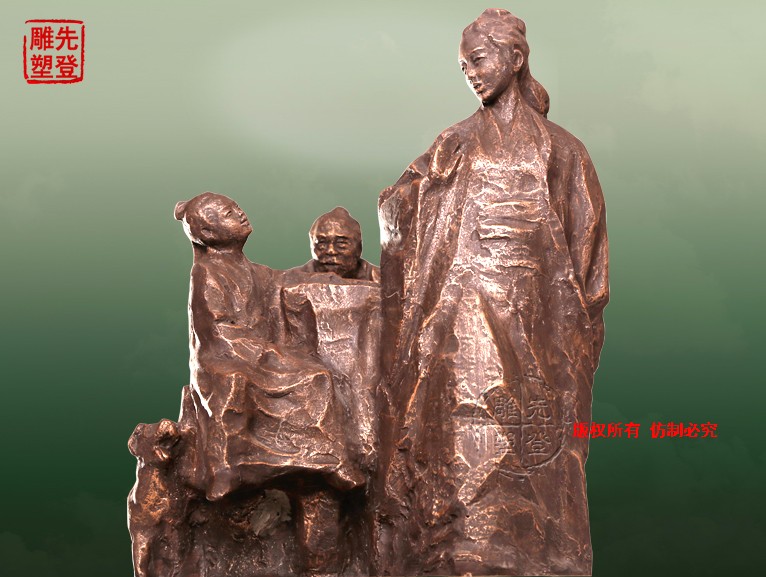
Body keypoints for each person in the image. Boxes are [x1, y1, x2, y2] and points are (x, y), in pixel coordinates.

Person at [375, 9, 608, 576]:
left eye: (478, 60)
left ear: (515, 58)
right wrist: (416, 190)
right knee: (464, 438)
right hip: (464, 316)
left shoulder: (564, 150)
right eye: (463, 67)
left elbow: (588, 253)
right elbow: (401, 210)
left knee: (539, 446)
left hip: (541, 317)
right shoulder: (455, 142)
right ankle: (456, 553)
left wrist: (578, 327)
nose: (472, 74)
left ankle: (543, 555)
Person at [174, 192, 363, 573]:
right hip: (226, 358)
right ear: (208, 233)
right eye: (228, 213)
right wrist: (266, 355)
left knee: (316, 376)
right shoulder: (206, 273)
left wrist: (322, 282)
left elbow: (287, 288)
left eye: (236, 207)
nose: (239, 213)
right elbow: (217, 331)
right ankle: (227, 466)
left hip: (261, 356)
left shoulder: (258, 272)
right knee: (247, 382)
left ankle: (327, 459)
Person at [291, 207, 380, 282]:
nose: (331, 251)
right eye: (322, 243)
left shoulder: (381, 280)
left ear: (359, 248)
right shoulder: (290, 280)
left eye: (341, 243)